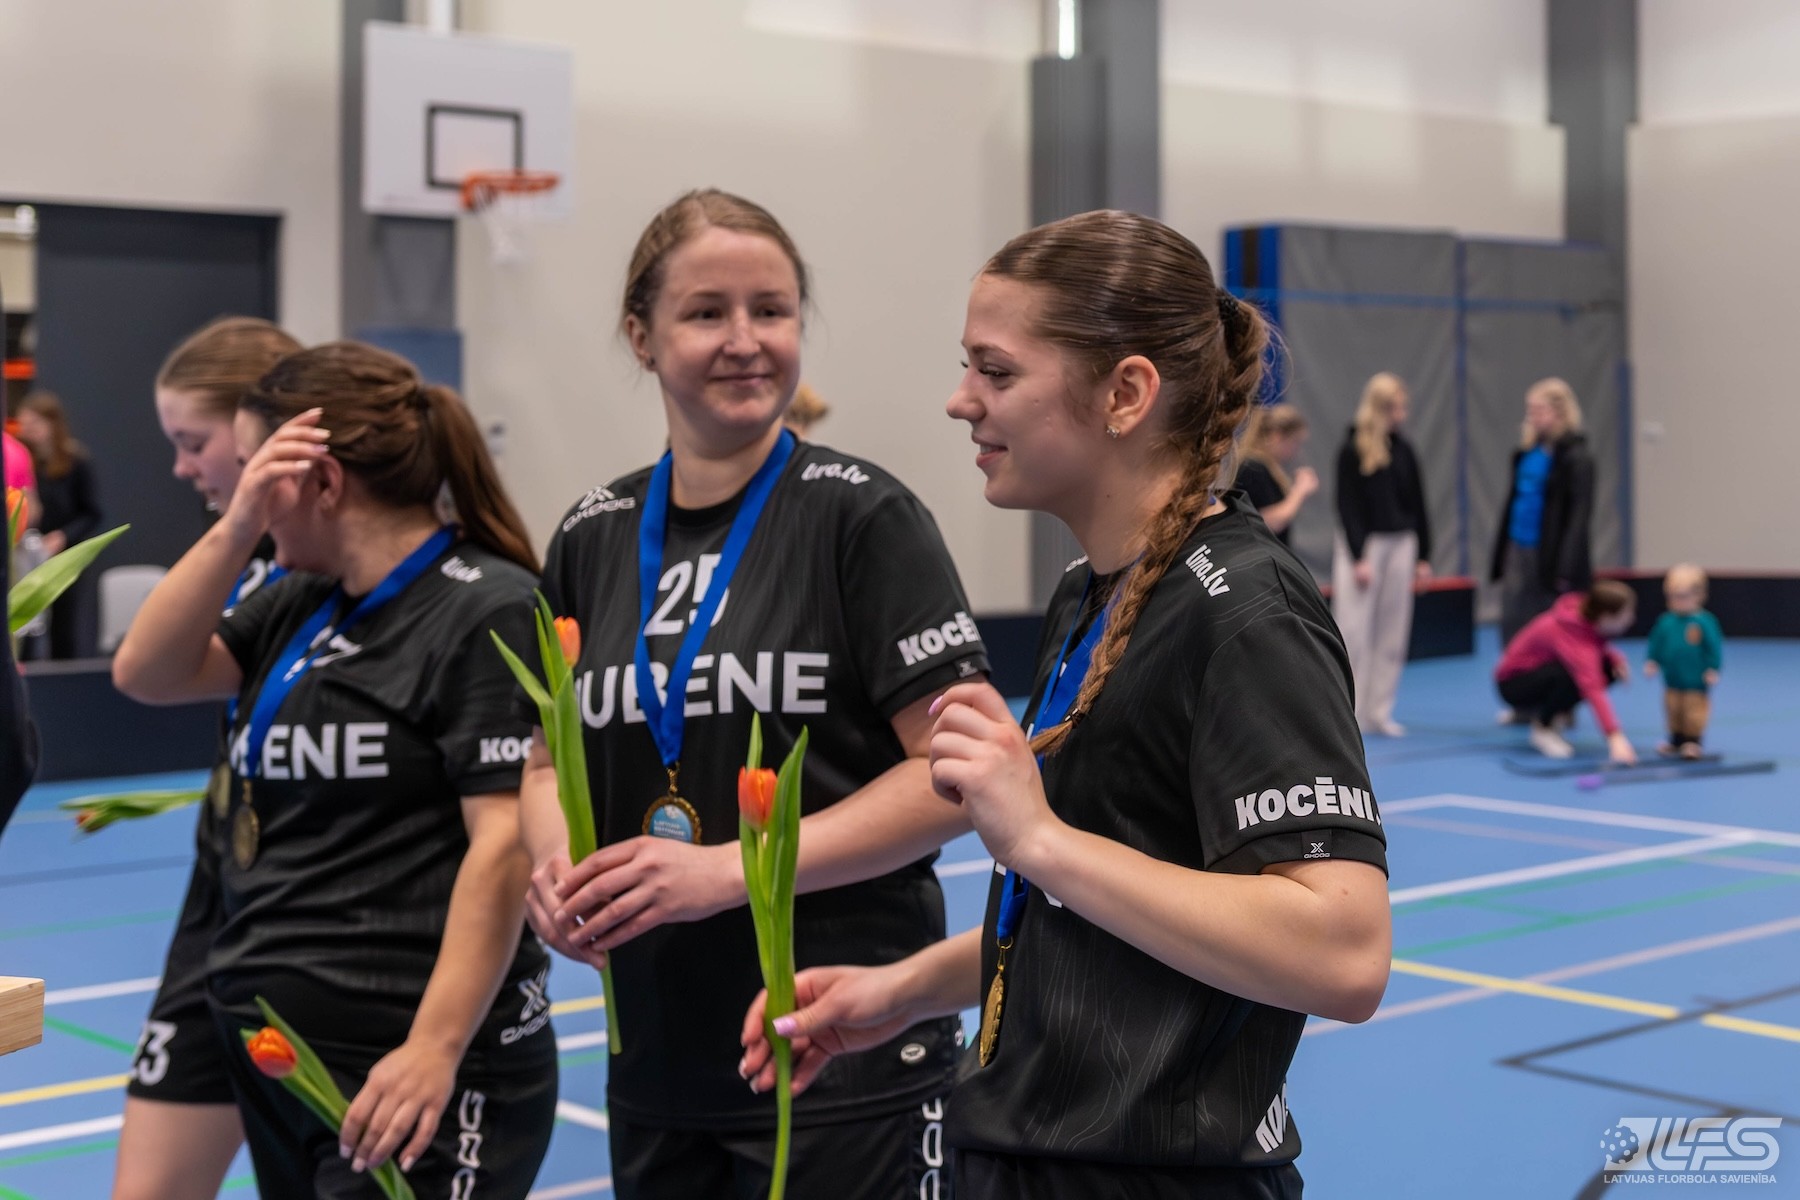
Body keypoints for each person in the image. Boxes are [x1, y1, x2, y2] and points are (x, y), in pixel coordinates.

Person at [739, 210, 1392, 1198]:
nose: (961, 400)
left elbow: (1345, 953)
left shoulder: (1245, 610)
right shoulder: (1090, 594)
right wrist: (902, 990)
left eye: (996, 372)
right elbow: (1094, 915)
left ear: (1125, 393)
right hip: (1024, 1158)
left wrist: (1039, 839)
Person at [521, 188, 985, 1199]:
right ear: (641, 337)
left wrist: (731, 872)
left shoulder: (864, 518)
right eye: (706, 312)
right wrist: (556, 871)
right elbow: (547, 760)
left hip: (838, 1044)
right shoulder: (591, 535)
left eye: (770, 310)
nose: (745, 340)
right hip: (655, 1057)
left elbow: (953, 779)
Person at [113, 342, 557, 1198]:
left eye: (257, 472)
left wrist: (433, 1048)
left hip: (404, 1072)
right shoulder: (302, 600)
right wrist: (237, 527)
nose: (239, 491)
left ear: (319, 479)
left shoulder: (484, 606)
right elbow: (148, 672)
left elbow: (501, 845)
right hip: (284, 1058)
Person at [106, 316, 301, 1200]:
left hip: (326, 930)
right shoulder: (246, 565)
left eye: (194, 442)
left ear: (261, 432)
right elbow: (142, 672)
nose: (183, 468)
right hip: (219, 918)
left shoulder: (355, 573)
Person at [1332, 372, 1432, 737]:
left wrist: (1423, 556)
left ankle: (1378, 710)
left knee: (1392, 629)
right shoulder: (1352, 449)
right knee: (1353, 630)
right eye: (1394, 408)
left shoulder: (1404, 450)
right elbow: (1347, 505)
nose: (1400, 415)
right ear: (1378, 407)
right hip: (1366, 545)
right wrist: (1359, 555)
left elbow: (1419, 504)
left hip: (1401, 543)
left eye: (1403, 408)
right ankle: (1348, 712)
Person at [1490, 377, 1594, 646]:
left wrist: (1567, 566)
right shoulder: (1525, 454)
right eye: (1530, 411)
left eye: (1540, 410)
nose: (1533, 417)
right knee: (1514, 618)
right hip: (1519, 546)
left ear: (1560, 413)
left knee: (1549, 622)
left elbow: (1579, 516)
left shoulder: (1577, 459)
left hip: (1550, 553)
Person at [1494, 579, 1637, 763]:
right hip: (1511, 685)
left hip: (1533, 674)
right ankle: (1544, 728)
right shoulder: (1570, 635)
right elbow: (1592, 687)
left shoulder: (1584, 616)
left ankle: (1549, 712)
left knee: (1608, 669)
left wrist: (1616, 658)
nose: (1631, 619)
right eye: (1626, 614)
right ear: (1606, 617)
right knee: (1570, 677)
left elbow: (1595, 642)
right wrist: (1614, 736)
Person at [16, 391, 103, 658]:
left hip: (65, 555)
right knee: (25, 622)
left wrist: (62, 537)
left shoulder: (76, 462)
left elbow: (92, 513)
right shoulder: (23, 461)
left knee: (65, 627)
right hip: (28, 553)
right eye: (24, 425)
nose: (29, 431)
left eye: (35, 424)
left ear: (52, 424)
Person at [1644, 563, 1723, 759]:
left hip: (1695, 680)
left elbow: (1713, 647)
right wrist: (1652, 661)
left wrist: (1713, 668)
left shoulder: (1704, 621)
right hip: (1672, 678)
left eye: (1683, 596)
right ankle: (1676, 739)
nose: (1678, 601)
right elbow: (1656, 643)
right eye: (1673, 596)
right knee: (1673, 709)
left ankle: (1692, 741)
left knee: (1693, 711)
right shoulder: (1666, 621)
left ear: (1699, 596)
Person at [1234, 402, 1318, 544]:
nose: (1296, 450)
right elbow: (1271, 522)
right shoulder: (1254, 468)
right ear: (1278, 436)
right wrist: (1300, 490)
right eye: (1295, 442)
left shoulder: (1264, 466)